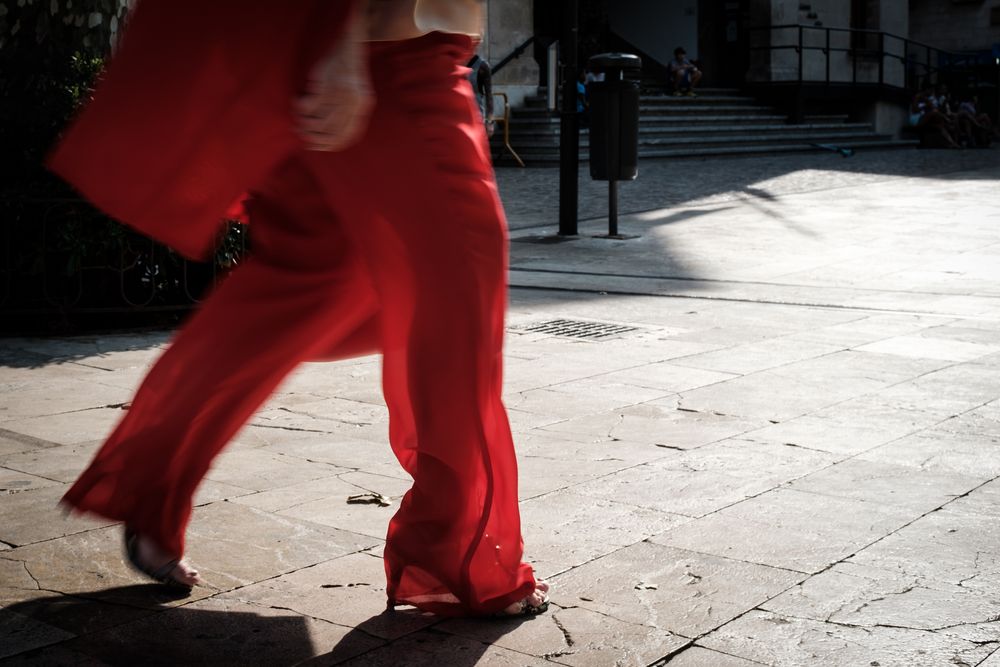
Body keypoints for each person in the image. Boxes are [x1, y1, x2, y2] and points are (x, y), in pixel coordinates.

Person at [48, 0, 549, 618]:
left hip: (372, 59)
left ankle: (148, 483)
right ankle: (462, 553)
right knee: (453, 299)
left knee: (308, 286)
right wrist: (342, 48)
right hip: (389, 66)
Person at [467, 51, 495, 137]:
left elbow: (489, 95)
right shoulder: (455, 62)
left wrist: (489, 121)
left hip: (475, 114)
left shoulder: (482, 66)